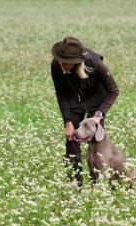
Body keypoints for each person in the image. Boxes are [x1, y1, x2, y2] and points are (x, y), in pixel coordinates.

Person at [51, 37, 119, 186]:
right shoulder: (57, 65)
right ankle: (75, 186)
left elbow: (113, 91)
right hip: (73, 100)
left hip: (96, 101)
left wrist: (98, 114)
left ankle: (99, 185)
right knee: (71, 142)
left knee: (97, 144)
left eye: (65, 61)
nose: (60, 63)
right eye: (59, 59)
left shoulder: (94, 63)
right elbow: (61, 94)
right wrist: (67, 121)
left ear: (76, 62)